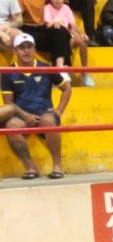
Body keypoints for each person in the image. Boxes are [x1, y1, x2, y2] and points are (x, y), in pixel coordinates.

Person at [0, 33, 70, 179]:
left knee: (48, 120)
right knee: (11, 124)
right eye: (21, 48)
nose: (26, 51)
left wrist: (59, 111)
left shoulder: (46, 68)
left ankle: (57, 166)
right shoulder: (7, 72)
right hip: (21, 116)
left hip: (45, 113)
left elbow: (67, 89)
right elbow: (8, 102)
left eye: (29, 47)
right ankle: (31, 167)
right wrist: (25, 116)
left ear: (34, 49)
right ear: (15, 51)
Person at [43, 0, 91, 84]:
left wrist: (81, 34)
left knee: (82, 43)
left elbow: (73, 25)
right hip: (55, 38)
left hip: (68, 37)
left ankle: (84, 72)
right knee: (60, 34)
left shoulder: (66, 8)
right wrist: (54, 23)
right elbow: (47, 25)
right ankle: (60, 70)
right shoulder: (47, 8)